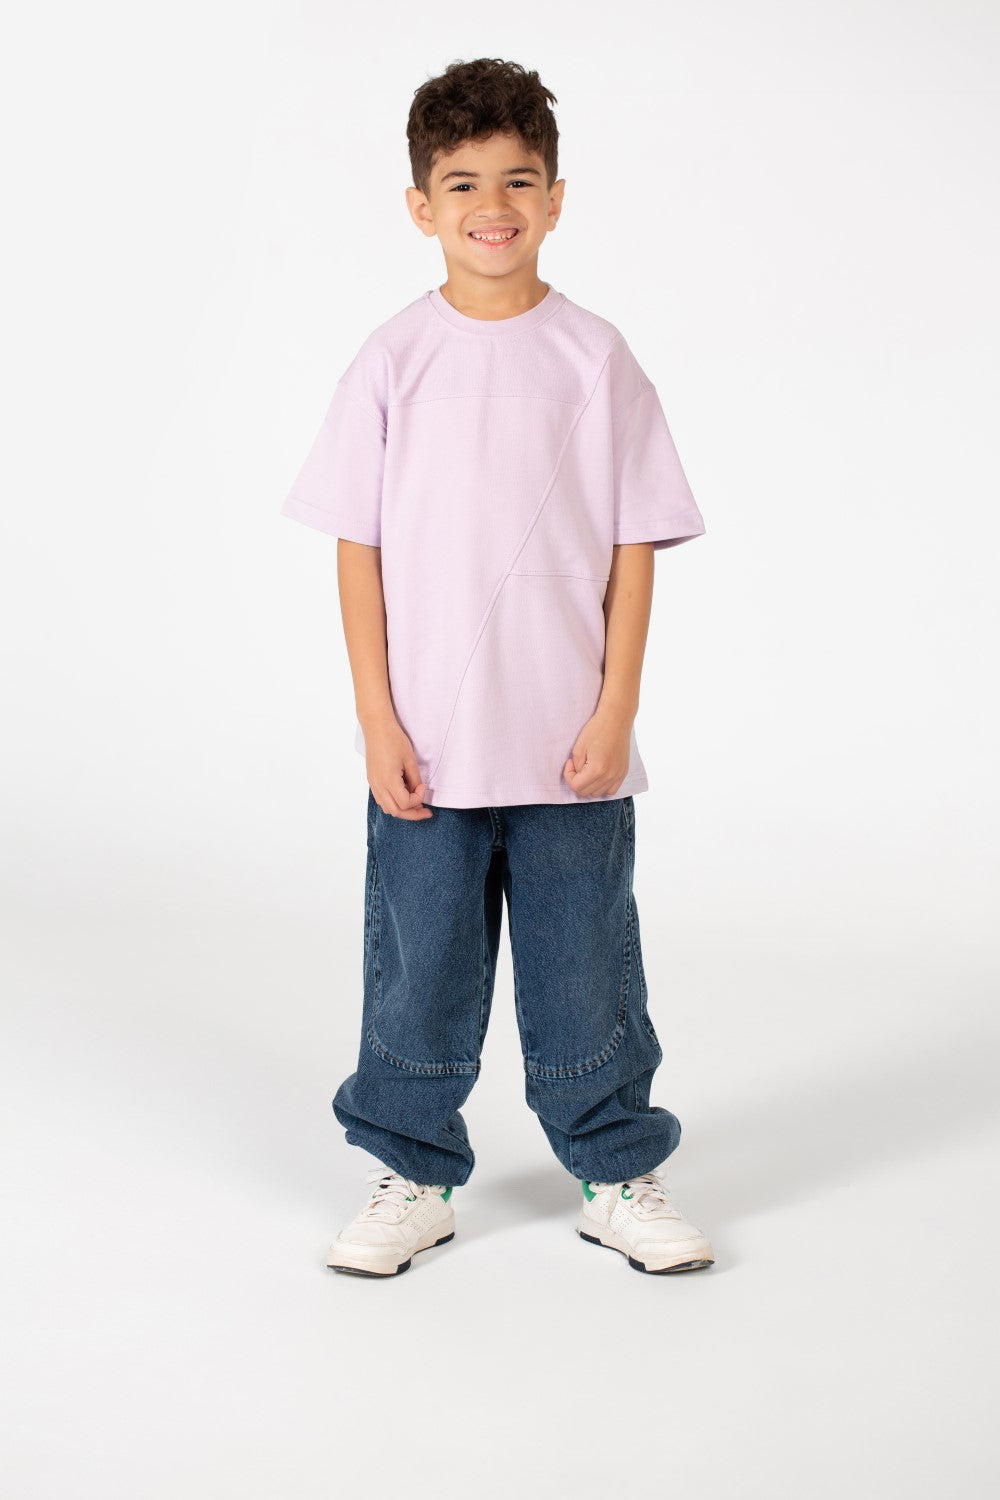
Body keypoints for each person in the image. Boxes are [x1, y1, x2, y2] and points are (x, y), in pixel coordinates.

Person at [280, 57, 715, 1278]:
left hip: (570, 744)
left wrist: (616, 708)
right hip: (427, 743)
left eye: (518, 180)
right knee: (420, 969)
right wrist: (376, 720)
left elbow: (635, 543)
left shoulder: (595, 358)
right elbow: (356, 548)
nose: (493, 205)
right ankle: (413, 1173)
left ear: (556, 198)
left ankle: (614, 1168)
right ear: (419, 204)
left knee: (587, 970)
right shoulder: (392, 359)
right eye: (462, 182)